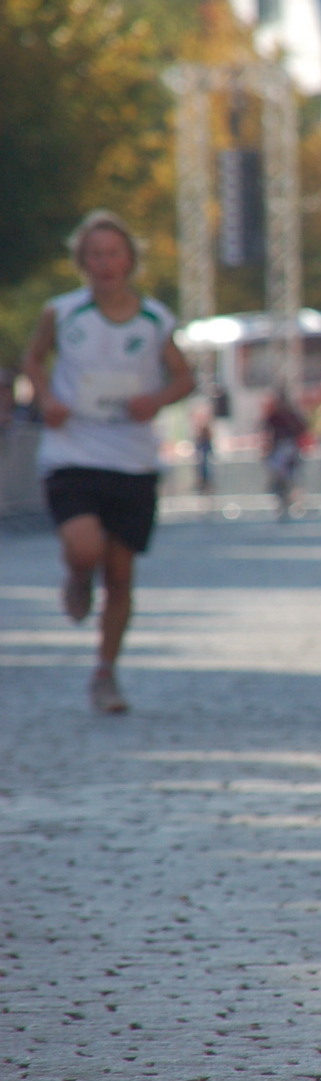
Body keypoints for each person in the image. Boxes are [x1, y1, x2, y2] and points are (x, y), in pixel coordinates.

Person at [22, 210, 194, 713]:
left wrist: (156, 400)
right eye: (95, 254)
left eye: (114, 253)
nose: (105, 263)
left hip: (132, 458)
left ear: (129, 260)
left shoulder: (156, 318)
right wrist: (47, 398)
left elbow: (185, 378)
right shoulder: (61, 312)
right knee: (84, 545)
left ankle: (105, 673)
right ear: (82, 261)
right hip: (72, 450)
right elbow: (34, 359)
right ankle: (77, 576)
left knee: (120, 574)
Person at [263, 389, 308, 518]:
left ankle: (292, 499)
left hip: (288, 448)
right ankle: (282, 498)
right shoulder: (275, 416)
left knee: (291, 476)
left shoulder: (290, 415)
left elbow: (302, 428)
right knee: (279, 474)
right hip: (280, 449)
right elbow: (266, 431)